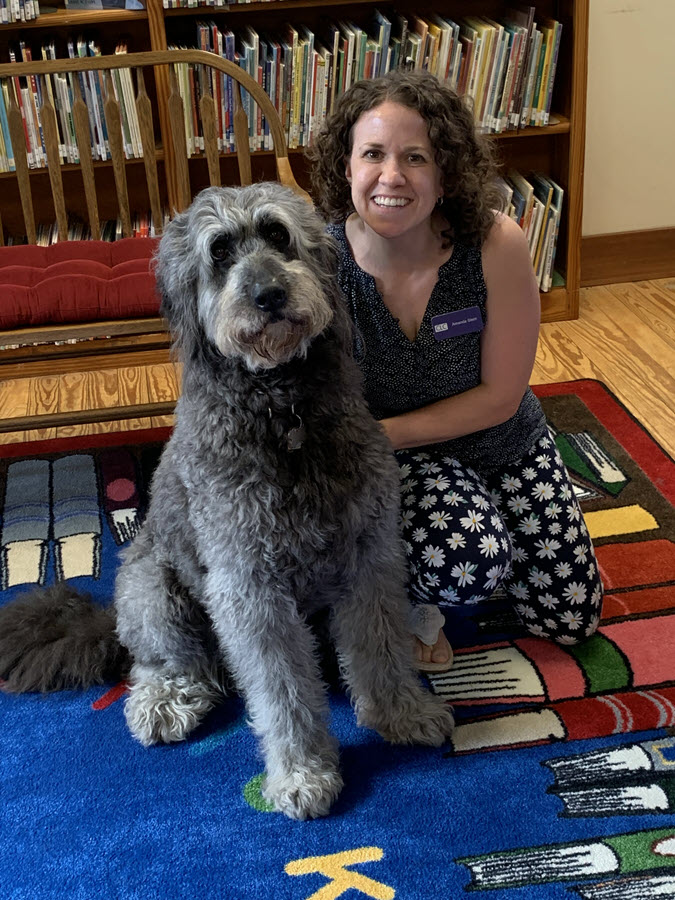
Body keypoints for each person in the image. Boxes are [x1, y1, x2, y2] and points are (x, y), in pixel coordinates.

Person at [307, 70, 604, 671]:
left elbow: (501, 396)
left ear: (445, 173)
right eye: (372, 154)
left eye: (416, 157)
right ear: (345, 166)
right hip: (403, 458)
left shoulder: (497, 242)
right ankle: (420, 598)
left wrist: (378, 434)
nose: (391, 177)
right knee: (466, 558)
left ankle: (496, 539)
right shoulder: (319, 257)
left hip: (502, 440)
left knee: (570, 618)